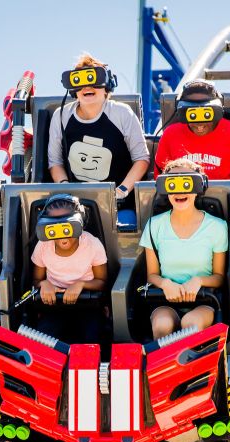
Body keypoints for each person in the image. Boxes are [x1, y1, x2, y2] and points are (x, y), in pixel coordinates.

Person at [48, 53, 149, 213]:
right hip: (74, 206)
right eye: (80, 82)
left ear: (106, 87)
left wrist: (121, 192)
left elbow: (141, 159)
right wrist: (66, 190)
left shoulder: (121, 113)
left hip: (119, 206)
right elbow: (55, 162)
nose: (87, 87)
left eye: (94, 80)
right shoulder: (61, 116)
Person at [140, 158, 228, 338]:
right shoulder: (154, 225)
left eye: (186, 183)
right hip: (164, 299)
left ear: (199, 187)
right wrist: (165, 284)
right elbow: (152, 275)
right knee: (162, 325)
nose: (179, 191)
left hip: (203, 300)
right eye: (173, 184)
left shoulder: (217, 226)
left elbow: (219, 277)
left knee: (190, 324)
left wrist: (198, 281)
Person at [30, 194, 108, 343]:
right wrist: (44, 284)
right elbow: (35, 280)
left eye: (67, 227)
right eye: (55, 228)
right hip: (54, 307)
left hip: (87, 305)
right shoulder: (43, 246)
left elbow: (102, 282)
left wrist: (80, 285)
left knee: (92, 337)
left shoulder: (93, 244)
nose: (63, 237)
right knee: (44, 339)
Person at [155, 79, 230, 179]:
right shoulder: (170, 135)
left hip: (225, 190)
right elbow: (160, 177)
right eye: (193, 115)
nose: (199, 124)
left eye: (206, 115)